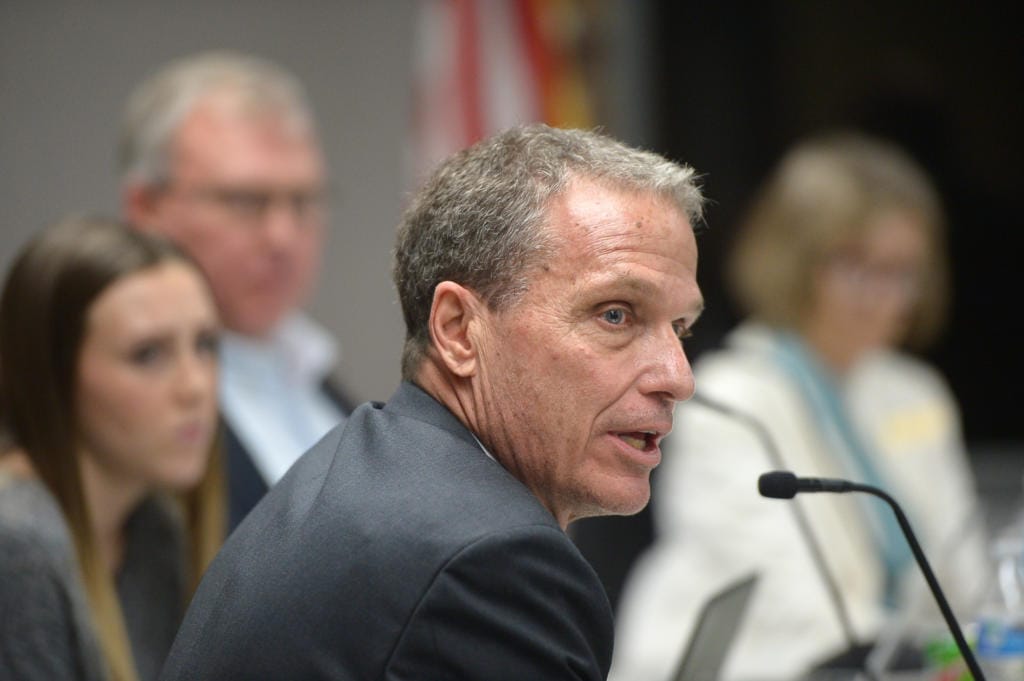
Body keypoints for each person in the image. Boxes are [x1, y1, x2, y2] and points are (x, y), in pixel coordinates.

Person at [157, 123, 706, 680]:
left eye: (680, 327)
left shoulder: (375, 478)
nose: (677, 376)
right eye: (616, 314)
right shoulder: (492, 563)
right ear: (459, 330)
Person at [610, 131, 990, 681]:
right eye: (857, 266)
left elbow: (965, 580)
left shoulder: (914, 391)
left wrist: (960, 647)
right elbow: (796, 604)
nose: (883, 295)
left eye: (903, 272)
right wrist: (928, 658)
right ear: (795, 260)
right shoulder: (726, 397)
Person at [119, 50, 352, 530]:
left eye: (304, 201)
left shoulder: (327, 389)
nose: (283, 237)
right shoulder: (114, 408)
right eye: (246, 201)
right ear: (146, 209)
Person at [0, 216, 225, 681]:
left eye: (205, 345)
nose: (196, 386)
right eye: (148, 354)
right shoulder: (16, 544)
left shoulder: (154, 525)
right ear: (52, 376)